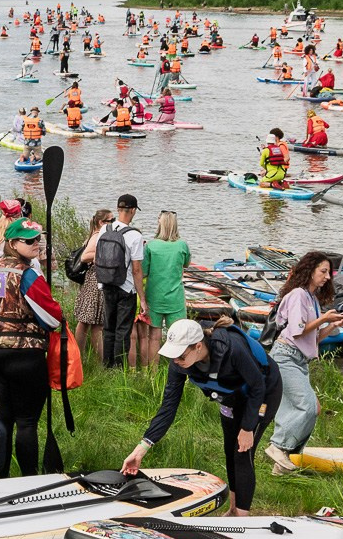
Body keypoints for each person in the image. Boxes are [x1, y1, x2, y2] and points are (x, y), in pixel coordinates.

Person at [122, 319, 282, 517]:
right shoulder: (180, 365)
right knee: (229, 448)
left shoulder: (233, 349)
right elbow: (168, 408)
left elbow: (258, 386)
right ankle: (233, 510)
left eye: (180, 355)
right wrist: (140, 450)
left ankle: (242, 519)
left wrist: (248, 427)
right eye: (172, 355)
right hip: (232, 397)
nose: (176, 361)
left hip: (264, 392)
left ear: (198, 346)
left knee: (242, 452)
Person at [0, 218, 63, 477]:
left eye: (38, 240)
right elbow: (52, 318)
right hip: (24, 355)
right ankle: (28, 479)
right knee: (26, 422)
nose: (36, 244)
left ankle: (1, 474)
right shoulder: (27, 274)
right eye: (29, 241)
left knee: (4, 417)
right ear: (13, 243)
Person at [263, 253, 343, 475]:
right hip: (285, 357)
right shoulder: (297, 296)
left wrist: (334, 323)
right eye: (323, 271)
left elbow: (313, 338)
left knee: (312, 409)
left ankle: (283, 464)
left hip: (299, 360)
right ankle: (278, 446)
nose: (327, 277)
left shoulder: (312, 299)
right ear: (309, 271)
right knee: (307, 407)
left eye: (329, 273)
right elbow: (297, 330)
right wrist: (324, 319)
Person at [98, 194, 145, 369]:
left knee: (108, 328)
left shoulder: (105, 230)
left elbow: (98, 257)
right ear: (132, 210)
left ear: (118, 209)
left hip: (107, 284)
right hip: (126, 289)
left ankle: (106, 366)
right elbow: (137, 270)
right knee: (123, 331)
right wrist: (143, 298)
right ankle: (119, 369)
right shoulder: (135, 236)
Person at [138, 210, 190, 366]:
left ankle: (153, 373)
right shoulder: (182, 245)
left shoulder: (151, 246)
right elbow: (186, 264)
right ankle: (182, 369)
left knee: (154, 337)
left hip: (154, 297)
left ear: (160, 224)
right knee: (179, 337)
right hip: (175, 299)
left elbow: (144, 272)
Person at [73, 209, 112, 361]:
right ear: (102, 222)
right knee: (88, 321)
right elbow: (85, 256)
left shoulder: (98, 235)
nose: (113, 223)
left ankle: (90, 360)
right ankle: (82, 358)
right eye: (111, 220)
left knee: (94, 323)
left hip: (95, 280)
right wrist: (102, 257)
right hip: (94, 282)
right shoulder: (97, 236)